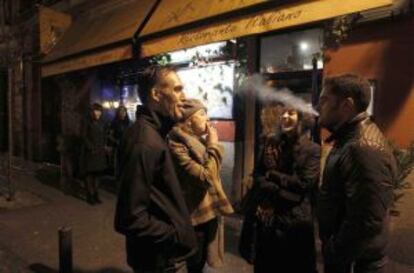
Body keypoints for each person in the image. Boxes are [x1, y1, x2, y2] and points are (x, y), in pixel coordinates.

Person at [114, 66, 197, 273]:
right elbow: (130, 218)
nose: (183, 96)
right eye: (177, 89)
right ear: (156, 94)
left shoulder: (155, 133)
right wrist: (175, 235)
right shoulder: (145, 141)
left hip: (163, 257)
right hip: (159, 261)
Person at [317, 74, 397, 273]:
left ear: (346, 105)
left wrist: (335, 252)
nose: (319, 107)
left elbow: (367, 219)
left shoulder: (362, 147)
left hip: (355, 263)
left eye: (324, 100)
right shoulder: (349, 140)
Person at [239, 106, 320, 273]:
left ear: (302, 118)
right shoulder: (272, 144)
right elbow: (257, 175)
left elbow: (302, 185)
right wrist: (276, 185)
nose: (284, 116)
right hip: (269, 221)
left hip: (295, 223)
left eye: (291, 113)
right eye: (283, 113)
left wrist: (272, 175)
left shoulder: (312, 149)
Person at [168, 99, 234, 273]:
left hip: (208, 212)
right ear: (189, 120)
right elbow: (206, 178)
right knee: (195, 263)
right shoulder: (176, 144)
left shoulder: (198, 141)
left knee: (203, 260)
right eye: (203, 114)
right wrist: (213, 144)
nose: (208, 119)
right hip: (195, 216)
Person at [80, 103, 108, 205]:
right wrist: (90, 147)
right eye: (96, 110)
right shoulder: (86, 121)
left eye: (99, 111)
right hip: (90, 152)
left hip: (99, 152)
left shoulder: (102, 122)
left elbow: (104, 135)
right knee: (89, 174)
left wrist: (104, 146)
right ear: (92, 112)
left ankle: (96, 194)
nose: (98, 113)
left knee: (98, 174)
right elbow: (83, 136)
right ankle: (90, 195)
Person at [108, 105, 131, 179]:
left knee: (126, 166)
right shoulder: (114, 123)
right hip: (118, 147)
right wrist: (116, 141)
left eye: (124, 111)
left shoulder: (129, 123)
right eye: (120, 111)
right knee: (118, 165)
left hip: (127, 147)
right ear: (118, 113)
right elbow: (109, 135)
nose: (122, 113)